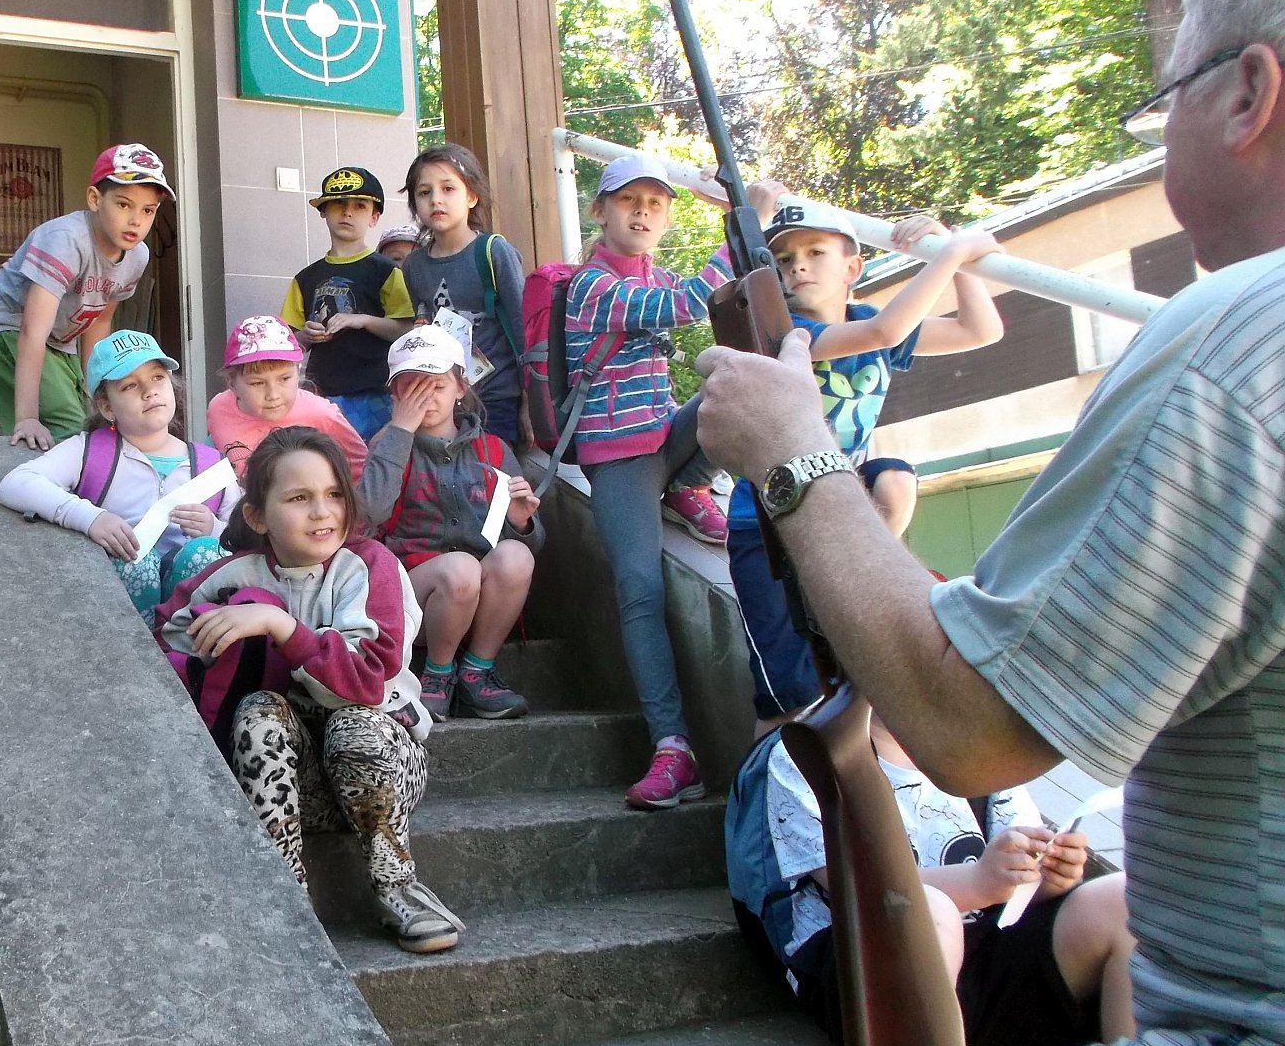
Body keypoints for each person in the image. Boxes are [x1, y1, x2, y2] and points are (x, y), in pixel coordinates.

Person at [698, 0, 1285, 1046]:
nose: (1162, 124)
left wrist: (791, 450)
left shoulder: (1238, 334)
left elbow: (971, 729)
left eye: (1172, 90)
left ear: (1250, 93)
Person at [156, 426, 465, 954]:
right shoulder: (231, 577)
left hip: (382, 771)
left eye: (335, 494)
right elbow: (164, 648)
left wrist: (280, 627)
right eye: (299, 498)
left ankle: (398, 885)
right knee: (258, 711)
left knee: (355, 725)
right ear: (257, 516)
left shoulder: (369, 566)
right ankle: (288, 900)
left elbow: (366, 681)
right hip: (295, 785)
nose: (322, 512)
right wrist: (214, 651)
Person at [728, 204, 1003, 729]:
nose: (797, 266)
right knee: (786, 693)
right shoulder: (789, 334)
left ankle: (863, 573)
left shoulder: (864, 320)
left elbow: (979, 329)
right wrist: (951, 253)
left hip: (839, 506)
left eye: (815, 252)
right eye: (783, 259)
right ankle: (767, 772)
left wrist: (956, 254)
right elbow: (885, 333)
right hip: (768, 519)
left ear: (853, 268)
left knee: (894, 477)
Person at [562, 154, 781, 809]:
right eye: (628, 200)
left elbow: (726, 302)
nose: (642, 212)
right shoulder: (591, 285)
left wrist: (738, 213)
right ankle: (673, 747)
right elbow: (688, 305)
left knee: (732, 377)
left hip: (665, 437)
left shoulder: (655, 273)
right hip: (620, 460)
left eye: (655, 203)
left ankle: (688, 486)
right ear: (599, 210)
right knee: (640, 588)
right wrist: (747, 218)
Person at [744, 716, 1135, 1046]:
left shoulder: (979, 745)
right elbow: (855, 885)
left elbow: (1015, 879)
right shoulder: (808, 750)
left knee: (1121, 899)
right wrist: (979, 882)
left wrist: (1046, 878)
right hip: (869, 972)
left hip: (984, 957)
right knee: (929, 910)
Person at [358, 325, 543, 721]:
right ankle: (436, 675)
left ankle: (477, 672)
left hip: (481, 605)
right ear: (394, 396)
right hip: (414, 603)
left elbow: (532, 545)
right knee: (460, 569)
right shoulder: (386, 447)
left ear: (461, 387)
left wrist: (520, 522)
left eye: (436, 386)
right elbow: (368, 513)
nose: (425, 398)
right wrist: (399, 432)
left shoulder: (493, 449)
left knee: (516, 556)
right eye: (411, 389)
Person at [0, 329, 235, 618]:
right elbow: (16, 483)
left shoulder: (211, 466)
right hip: (117, 615)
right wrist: (91, 518)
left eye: (157, 377)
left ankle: (178, 647)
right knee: (134, 560)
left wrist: (214, 528)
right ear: (107, 407)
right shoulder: (90, 452)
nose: (149, 391)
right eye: (130, 385)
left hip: (191, 624)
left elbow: (252, 539)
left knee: (206, 552)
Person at [0, 144, 170, 450]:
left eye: (148, 210)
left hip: (60, 339)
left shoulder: (137, 257)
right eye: (123, 205)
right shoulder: (65, 241)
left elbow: (99, 322)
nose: (136, 220)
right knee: (68, 426)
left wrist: (96, 389)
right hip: (6, 324)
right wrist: (27, 417)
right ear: (95, 199)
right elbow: (31, 331)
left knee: (92, 419)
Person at [401, 144, 528, 445]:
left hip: (498, 398)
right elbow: (424, 328)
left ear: (472, 196)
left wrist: (530, 402)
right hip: (444, 402)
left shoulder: (494, 252)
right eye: (424, 192)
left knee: (493, 472)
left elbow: (525, 331)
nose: (436, 199)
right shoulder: (414, 266)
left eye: (448, 189)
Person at [280, 167, 414, 439]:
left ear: (374, 217)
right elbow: (284, 344)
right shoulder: (304, 278)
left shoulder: (385, 270)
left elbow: (405, 330)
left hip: (376, 391)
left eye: (360, 206)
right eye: (338, 203)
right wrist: (305, 335)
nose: (347, 212)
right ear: (323, 211)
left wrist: (362, 320)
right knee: (327, 460)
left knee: (374, 458)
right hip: (321, 393)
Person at [206, 315, 367, 477]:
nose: (273, 395)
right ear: (232, 383)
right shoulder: (218, 409)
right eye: (257, 383)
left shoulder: (322, 415)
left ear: (298, 371)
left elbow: (364, 471)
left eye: (284, 379)